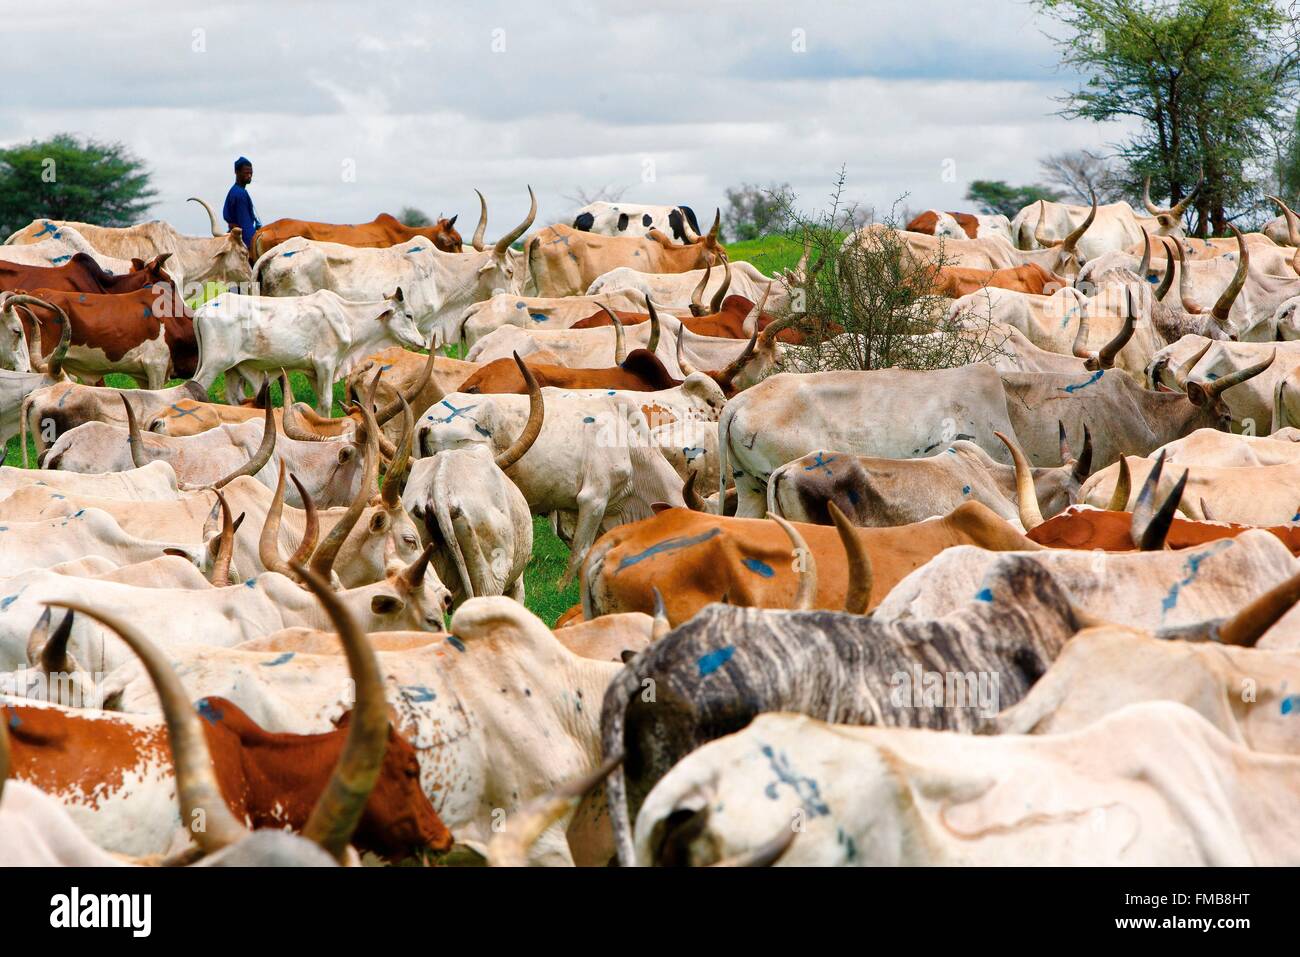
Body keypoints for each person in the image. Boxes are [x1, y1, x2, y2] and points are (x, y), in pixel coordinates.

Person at [223, 157, 261, 251]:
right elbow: (245, 224)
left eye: (251, 173)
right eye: (246, 173)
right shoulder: (240, 194)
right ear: (237, 172)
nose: (249, 176)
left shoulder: (236, 191)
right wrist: (252, 246)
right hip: (242, 242)